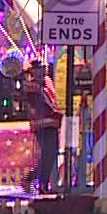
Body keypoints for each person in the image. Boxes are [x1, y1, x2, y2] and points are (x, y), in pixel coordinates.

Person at [24, 60, 62, 195]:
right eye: (37, 69)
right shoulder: (33, 87)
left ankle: (41, 182)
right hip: (43, 123)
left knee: (51, 155)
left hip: (51, 122)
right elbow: (40, 106)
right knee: (47, 154)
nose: (40, 72)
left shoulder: (46, 84)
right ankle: (35, 180)